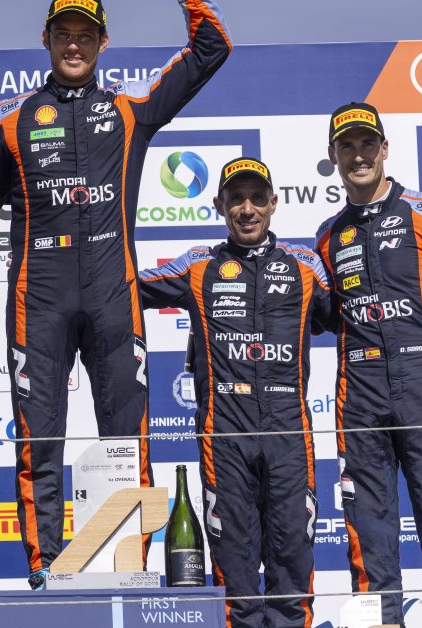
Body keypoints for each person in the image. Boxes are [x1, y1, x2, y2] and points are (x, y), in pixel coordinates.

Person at [0, 0, 230, 588]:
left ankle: (129, 565)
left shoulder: (129, 107)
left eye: (85, 35)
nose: (74, 45)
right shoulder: (12, 118)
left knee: (127, 438)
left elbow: (211, 48)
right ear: (45, 39)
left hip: (112, 298)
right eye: (64, 34)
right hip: (38, 301)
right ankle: (44, 566)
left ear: (103, 43)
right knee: (38, 440)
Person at [314, 102, 422, 627]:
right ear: (333, 157)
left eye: (367, 144)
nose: (358, 155)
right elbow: (319, 315)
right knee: (368, 535)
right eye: (347, 146)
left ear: (385, 149)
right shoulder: (327, 235)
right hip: (359, 397)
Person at [140, 158, 330, 627]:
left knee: (292, 559)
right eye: (236, 199)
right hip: (224, 431)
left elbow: (356, 315)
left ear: (274, 203)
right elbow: (126, 287)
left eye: (257, 198)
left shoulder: (305, 265)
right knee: (234, 566)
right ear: (218, 204)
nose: (247, 209)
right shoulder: (198, 264)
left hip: (289, 429)